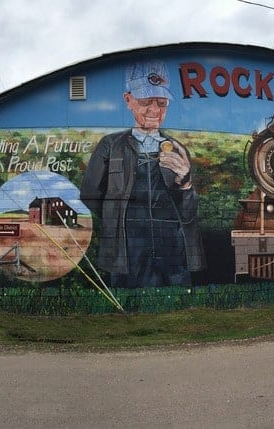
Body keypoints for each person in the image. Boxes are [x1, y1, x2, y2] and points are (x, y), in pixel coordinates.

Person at [81, 60, 205, 288]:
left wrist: (185, 183)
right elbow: (89, 193)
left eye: (162, 102)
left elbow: (188, 214)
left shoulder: (178, 149)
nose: (154, 110)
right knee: (129, 299)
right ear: (128, 100)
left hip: (172, 250)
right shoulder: (111, 145)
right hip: (128, 251)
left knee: (174, 304)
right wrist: (117, 219)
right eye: (146, 101)